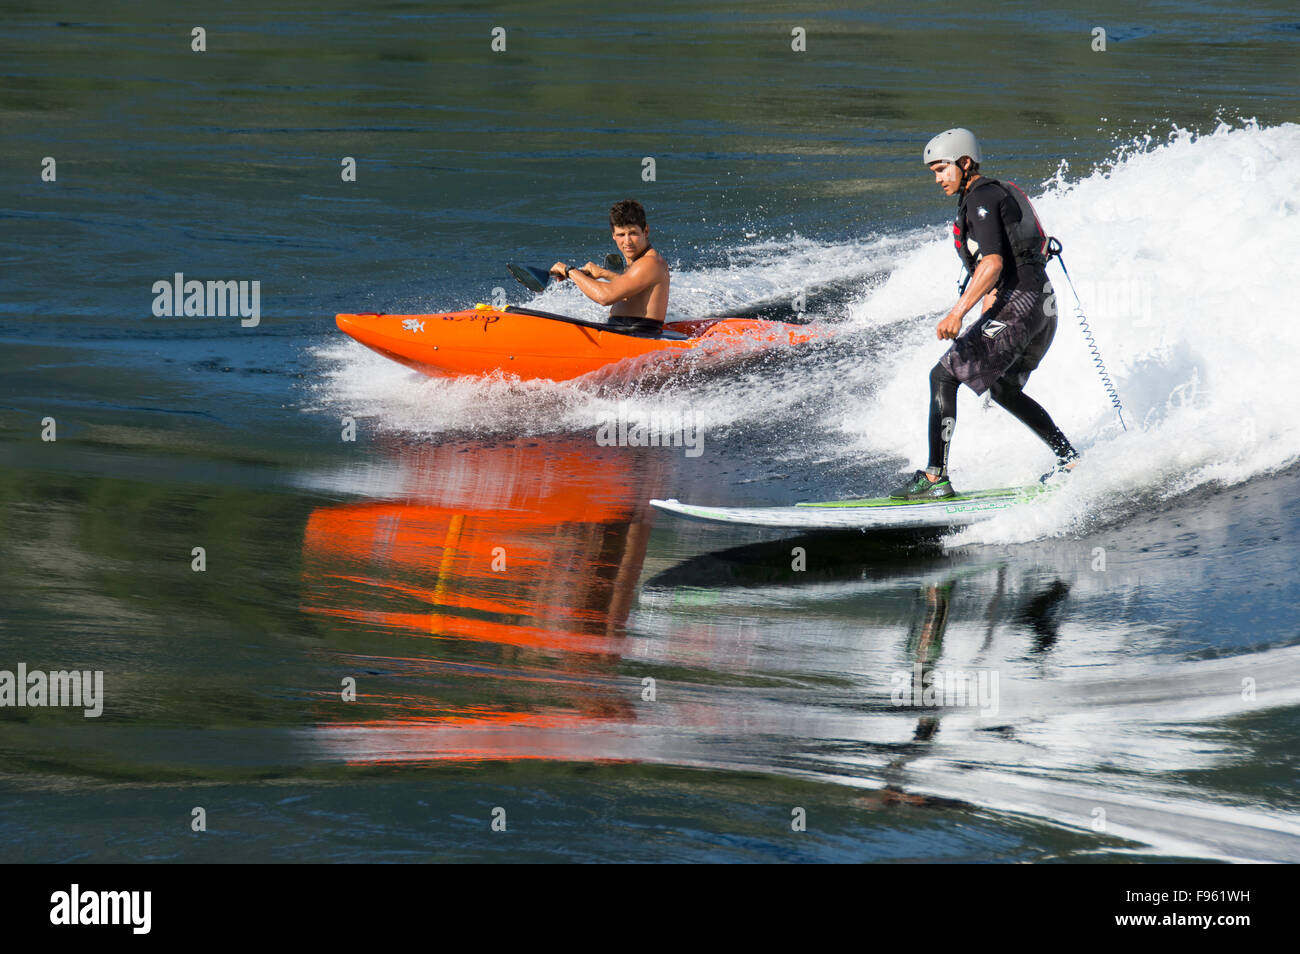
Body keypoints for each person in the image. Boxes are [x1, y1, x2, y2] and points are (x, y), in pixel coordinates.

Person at [892, 128, 1080, 500]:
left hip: (1022, 304)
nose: (938, 178)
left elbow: (992, 263)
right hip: (1043, 305)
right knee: (1003, 388)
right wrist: (983, 316)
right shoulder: (995, 193)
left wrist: (957, 314)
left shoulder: (980, 197)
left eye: (942, 169)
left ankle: (935, 479)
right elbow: (1005, 264)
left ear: (964, 163)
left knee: (943, 376)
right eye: (933, 171)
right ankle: (1070, 460)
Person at [550, 199, 670, 324]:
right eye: (621, 235)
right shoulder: (640, 261)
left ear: (645, 231)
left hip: (636, 336)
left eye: (633, 233)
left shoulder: (649, 263)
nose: (627, 241)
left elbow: (605, 297)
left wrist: (569, 270)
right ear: (613, 235)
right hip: (628, 333)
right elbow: (631, 288)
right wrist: (604, 273)